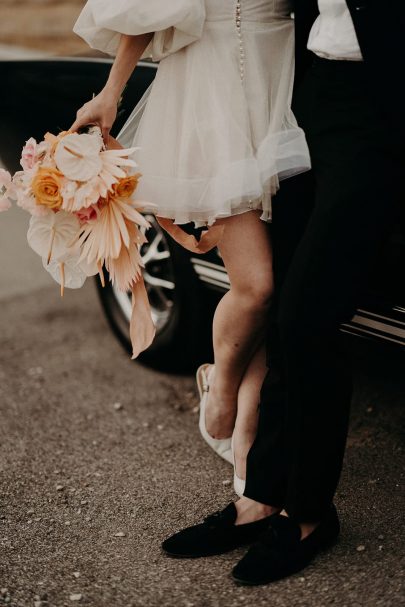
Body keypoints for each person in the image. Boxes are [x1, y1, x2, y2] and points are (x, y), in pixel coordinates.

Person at [160, 0, 405, 586]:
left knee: (307, 318)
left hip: (381, 105)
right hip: (306, 95)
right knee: (281, 309)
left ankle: (309, 515)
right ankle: (261, 499)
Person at [72, 0, 311, 494]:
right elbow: (156, 5)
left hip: (288, 77)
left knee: (284, 286)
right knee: (257, 285)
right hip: (212, 89)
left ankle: (248, 450)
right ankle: (219, 386)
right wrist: (112, 91)